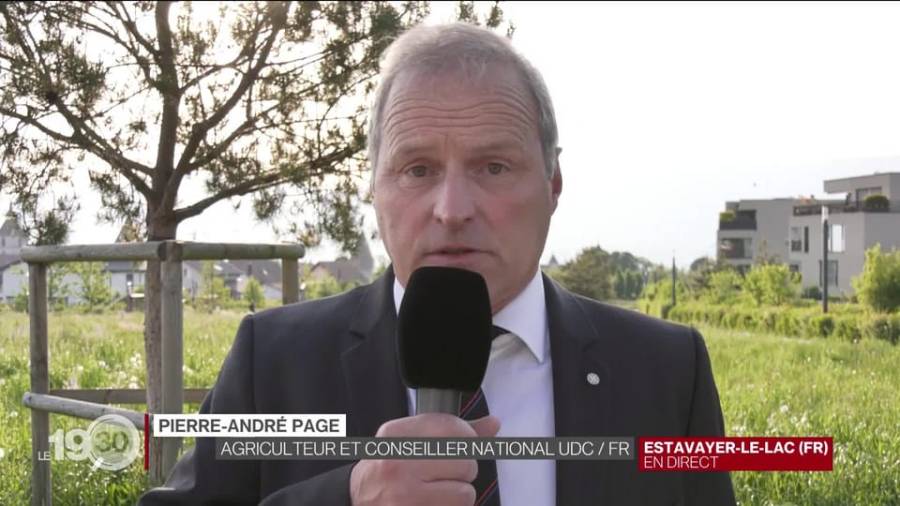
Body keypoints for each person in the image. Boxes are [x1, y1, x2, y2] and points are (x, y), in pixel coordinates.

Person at [139, 22, 735, 506]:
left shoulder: (665, 370)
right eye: (418, 169)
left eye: (493, 167)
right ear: (375, 188)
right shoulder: (274, 362)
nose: (452, 210)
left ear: (553, 184)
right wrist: (346, 497)